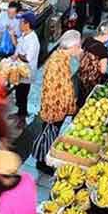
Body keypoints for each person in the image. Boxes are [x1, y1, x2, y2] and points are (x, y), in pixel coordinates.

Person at [32, 30, 82, 175]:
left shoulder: (62, 58)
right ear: (73, 47)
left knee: (51, 134)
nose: (79, 50)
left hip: (59, 108)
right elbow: (52, 92)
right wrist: (54, 114)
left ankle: (45, 158)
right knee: (48, 134)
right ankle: (42, 161)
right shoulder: (56, 63)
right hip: (54, 109)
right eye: (78, 47)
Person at [12, 11, 40, 128]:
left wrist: (17, 56)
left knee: (23, 95)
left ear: (27, 24)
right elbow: (18, 47)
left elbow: (27, 58)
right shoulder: (24, 35)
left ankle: (22, 118)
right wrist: (12, 36)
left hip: (27, 73)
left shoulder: (33, 40)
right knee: (18, 93)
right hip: (20, 70)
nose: (19, 24)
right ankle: (19, 113)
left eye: (21, 22)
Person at [77, 20, 108, 107]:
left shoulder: (88, 39)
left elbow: (80, 54)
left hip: (82, 75)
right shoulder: (103, 50)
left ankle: (79, 106)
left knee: (81, 96)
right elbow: (103, 70)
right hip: (93, 80)